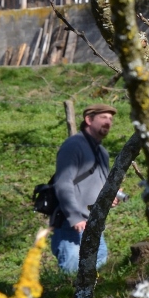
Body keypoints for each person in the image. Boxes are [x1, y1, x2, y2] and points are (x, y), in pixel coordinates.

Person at [51, 103, 116, 274]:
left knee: (99, 260)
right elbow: (63, 183)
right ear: (88, 120)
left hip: (93, 222)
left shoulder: (102, 152)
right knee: (73, 270)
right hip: (72, 224)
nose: (108, 122)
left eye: (110, 119)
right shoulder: (73, 146)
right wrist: (75, 217)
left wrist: (110, 197)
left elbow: (101, 184)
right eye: (103, 117)